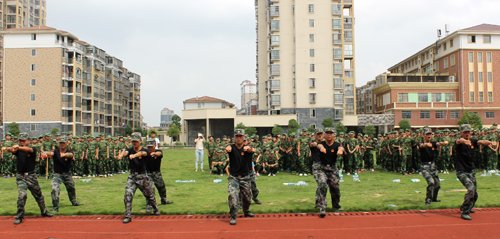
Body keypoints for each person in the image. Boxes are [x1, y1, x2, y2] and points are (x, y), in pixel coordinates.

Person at [8, 133, 53, 225]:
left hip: (31, 176)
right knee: (22, 196)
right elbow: (11, 150)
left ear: (28, 141)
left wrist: (18, 147)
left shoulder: (33, 149)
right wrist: (9, 148)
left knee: (38, 195)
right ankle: (20, 216)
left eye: (24, 140)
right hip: (21, 177)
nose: (22, 142)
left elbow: (28, 149)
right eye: (20, 140)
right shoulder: (18, 150)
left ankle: (44, 211)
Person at [117, 132, 160, 224]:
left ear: (140, 141)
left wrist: (135, 155)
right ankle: (128, 215)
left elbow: (143, 153)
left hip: (142, 176)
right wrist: (121, 155)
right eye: (133, 141)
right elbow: (125, 152)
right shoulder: (130, 150)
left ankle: (155, 208)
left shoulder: (145, 150)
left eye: (136, 141)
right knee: (128, 194)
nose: (134, 143)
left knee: (149, 195)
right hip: (132, 176)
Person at [454, 124, 492, 220]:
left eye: (468, 131)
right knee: (471, 189)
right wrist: (464, 141)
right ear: (461, 132)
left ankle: (466, 206)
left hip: (471, 170)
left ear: (471, 132)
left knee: (474, 193)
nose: (467, 133)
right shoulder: (458, 141)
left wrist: (490, 142)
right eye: (465, 132)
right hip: (461, 171)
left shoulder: (473, 141)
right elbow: (459, 141)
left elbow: (481, 141)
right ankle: (465, 212)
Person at [41, 136, 84, 213]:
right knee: (55, 189)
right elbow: (51, 153)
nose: (62, 144)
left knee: (71, 188)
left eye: (63, 143)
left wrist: (64, 155)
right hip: (57, 175)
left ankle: (74, 201)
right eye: (60, 143)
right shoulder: (56, 151)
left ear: (67, 143)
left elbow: (70, 155)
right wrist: (45, 153)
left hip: (67, 174)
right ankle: (55, 207)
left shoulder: (70, 152)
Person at [225, 129, 256, 225]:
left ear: (244, 137)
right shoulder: (231, 148)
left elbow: (254, 150)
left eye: (240, 136)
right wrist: (227, 148)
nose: (238, 138)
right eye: (237, 136)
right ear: (234, 137)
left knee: (247, 198)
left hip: (245, 177)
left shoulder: (248, 148)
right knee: (233, 196)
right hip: (234, 177)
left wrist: (250, 149)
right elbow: (227, 149)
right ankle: (233, 216)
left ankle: (246, 211)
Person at [315, 127, 345, 218]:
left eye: (330, 133)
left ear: (333, 134)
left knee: (335, 187)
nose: (329, 135)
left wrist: (340, 151)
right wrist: (321, 148)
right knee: (323, 184)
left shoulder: (337, 144)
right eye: (327, 133)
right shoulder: (321, 143)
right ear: (325, 134)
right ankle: (322, 207)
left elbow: (341, 148)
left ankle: (336, 204)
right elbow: (319, 146)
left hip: (332, 168)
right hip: (321, 168)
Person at [418, 128, 449, 205]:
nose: (429, 135)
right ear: (423, 134)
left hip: (432, 166)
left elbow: (438, 144)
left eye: (430, 134)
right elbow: (421, 146)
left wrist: (444, 143)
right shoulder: (420, 143)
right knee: (431, 182)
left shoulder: (433, 143)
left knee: (437, 184)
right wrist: (426, 144)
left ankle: (434, 198)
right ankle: (428, 199)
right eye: (427, 134)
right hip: (425, 166)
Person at [145, 138, 173, 211]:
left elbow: (160, 154)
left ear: (155, 145)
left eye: (151, 147)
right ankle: (149, 205)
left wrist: (154, 153)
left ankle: (164, 200)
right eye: (148, 147)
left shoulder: (158, 151)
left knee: (162, 187)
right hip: (148, 174)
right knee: (150, 189)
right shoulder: (145, 153)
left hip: (157, 173)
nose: (150, 148)